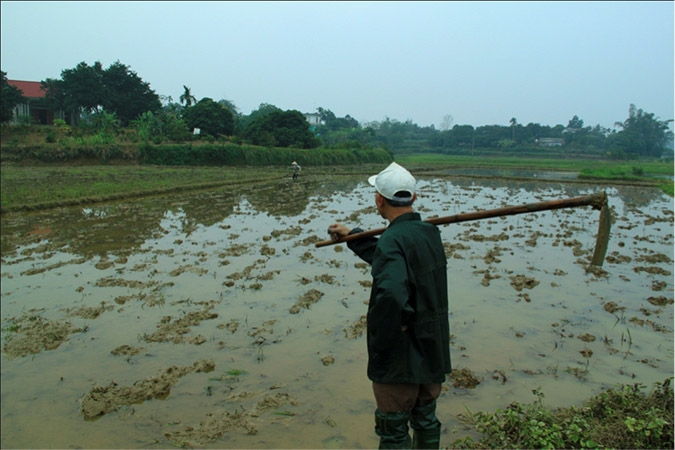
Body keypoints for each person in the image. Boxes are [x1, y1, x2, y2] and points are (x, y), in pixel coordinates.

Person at [327, 162, 451, 449]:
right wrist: (353, 236)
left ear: (379, 199)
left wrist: (385, 338)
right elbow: (393, 259)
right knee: (425, 418)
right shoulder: (429, 234)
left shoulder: (394, 239)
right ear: (413, 199)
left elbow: (393, 292)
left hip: (401, 356)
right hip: (432, 348)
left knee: (393, 428)